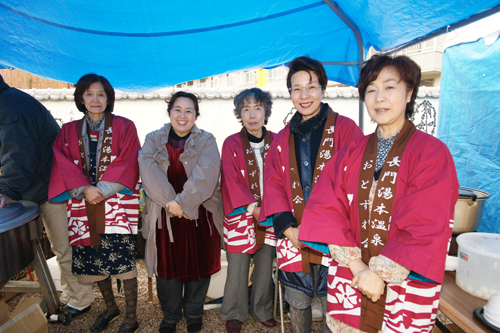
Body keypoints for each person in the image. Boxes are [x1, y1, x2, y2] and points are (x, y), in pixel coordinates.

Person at [299, 54, 459, 333]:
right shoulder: (350, 153)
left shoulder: (432, 153)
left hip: (404, 281)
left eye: (389, 87)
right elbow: (327, 209)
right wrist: (360, 268)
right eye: (371, 89)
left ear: (409, 93)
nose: (379, 97)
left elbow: (425, 223)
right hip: (353, 276)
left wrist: (379, 274)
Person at [259, 56, 363, 333]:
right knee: (298, 300)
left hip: (337, 236)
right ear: (289, 92)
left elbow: (356, 183)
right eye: (296, 88)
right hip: (293, 234)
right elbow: (272, 183)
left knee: (337, 302)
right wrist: (286, 225)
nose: (304, 95)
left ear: (323, 89)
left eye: (311, 87)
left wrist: (330, 226)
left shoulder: (347, 129)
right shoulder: (281, 139)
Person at [49, 74, 141, 333]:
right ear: (81, 98)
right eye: (89, 94)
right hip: (81, 203)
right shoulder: (67, 130)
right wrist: (83, 189)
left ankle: (131, 318)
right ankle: (110, 308)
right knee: (93, 261)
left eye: (101, 94)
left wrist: (100, 189)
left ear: (109, 98)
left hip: (116, 204)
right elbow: (61, 163)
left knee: (123, 261)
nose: (95, 99)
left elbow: (129, 160)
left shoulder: (125, 126)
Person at [0, 74, 94, 319]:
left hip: (52, 188)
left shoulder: (13, 108)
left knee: (65, 246)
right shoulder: (9, 103)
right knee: (59, 246)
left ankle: (80, 300)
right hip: (37, 187)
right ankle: (68, 296)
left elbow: (18, 155)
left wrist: (6, 190)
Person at [138, 91, 223, 333]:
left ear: (196, 115)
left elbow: (206, 176)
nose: (183, 115)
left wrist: (183, 204)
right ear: (169, 112)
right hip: (164, 215)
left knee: (200, 263)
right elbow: (148, 174)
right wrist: (171, 204)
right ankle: (171, 315)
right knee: (168, 267)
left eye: (189, 111)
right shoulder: (153, 139)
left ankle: (194, 312)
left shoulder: (207, 140)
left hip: (199, 214)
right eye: (178, 109)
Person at [220, 88, 277, 333]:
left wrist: (270, 209)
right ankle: (234, 311)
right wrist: (253, 207)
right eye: (246, 109)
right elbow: (230, 179)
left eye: (257, 108)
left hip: (272, 213)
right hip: (241, 214)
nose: (252, 115)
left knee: (266, 264)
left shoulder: (278, 140)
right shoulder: (231, 143)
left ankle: (262, 308)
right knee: (238, 265)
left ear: (266, 111)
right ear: (239, 114)